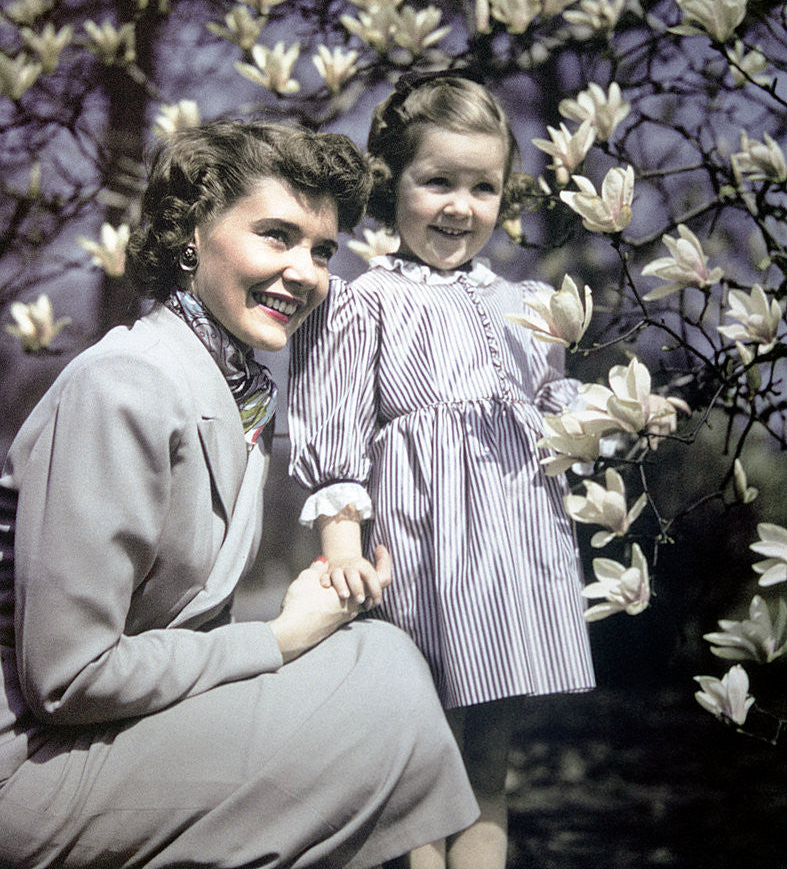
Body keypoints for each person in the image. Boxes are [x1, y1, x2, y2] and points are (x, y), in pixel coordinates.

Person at [0, 120, 480, 869]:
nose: (307, 272)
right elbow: (69, 677)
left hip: (116, 730)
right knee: (374, 702)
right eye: (277, 235)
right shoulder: (122, 386)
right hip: (33, 767)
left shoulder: (232, 390)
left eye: (321, 249)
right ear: (192, 234)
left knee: (379, 655)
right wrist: (280, 637)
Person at [288, 77, 596, 869]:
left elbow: (557, 417)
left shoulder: (530, 304)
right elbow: (335, 431)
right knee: (419, 764)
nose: (460, 206)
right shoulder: (364, 303)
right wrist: (341, 545)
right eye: (438, 183)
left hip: (512, 554)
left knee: (488, 764)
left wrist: (609, 421)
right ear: (395, 183)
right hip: (422, 552)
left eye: (482, 187)